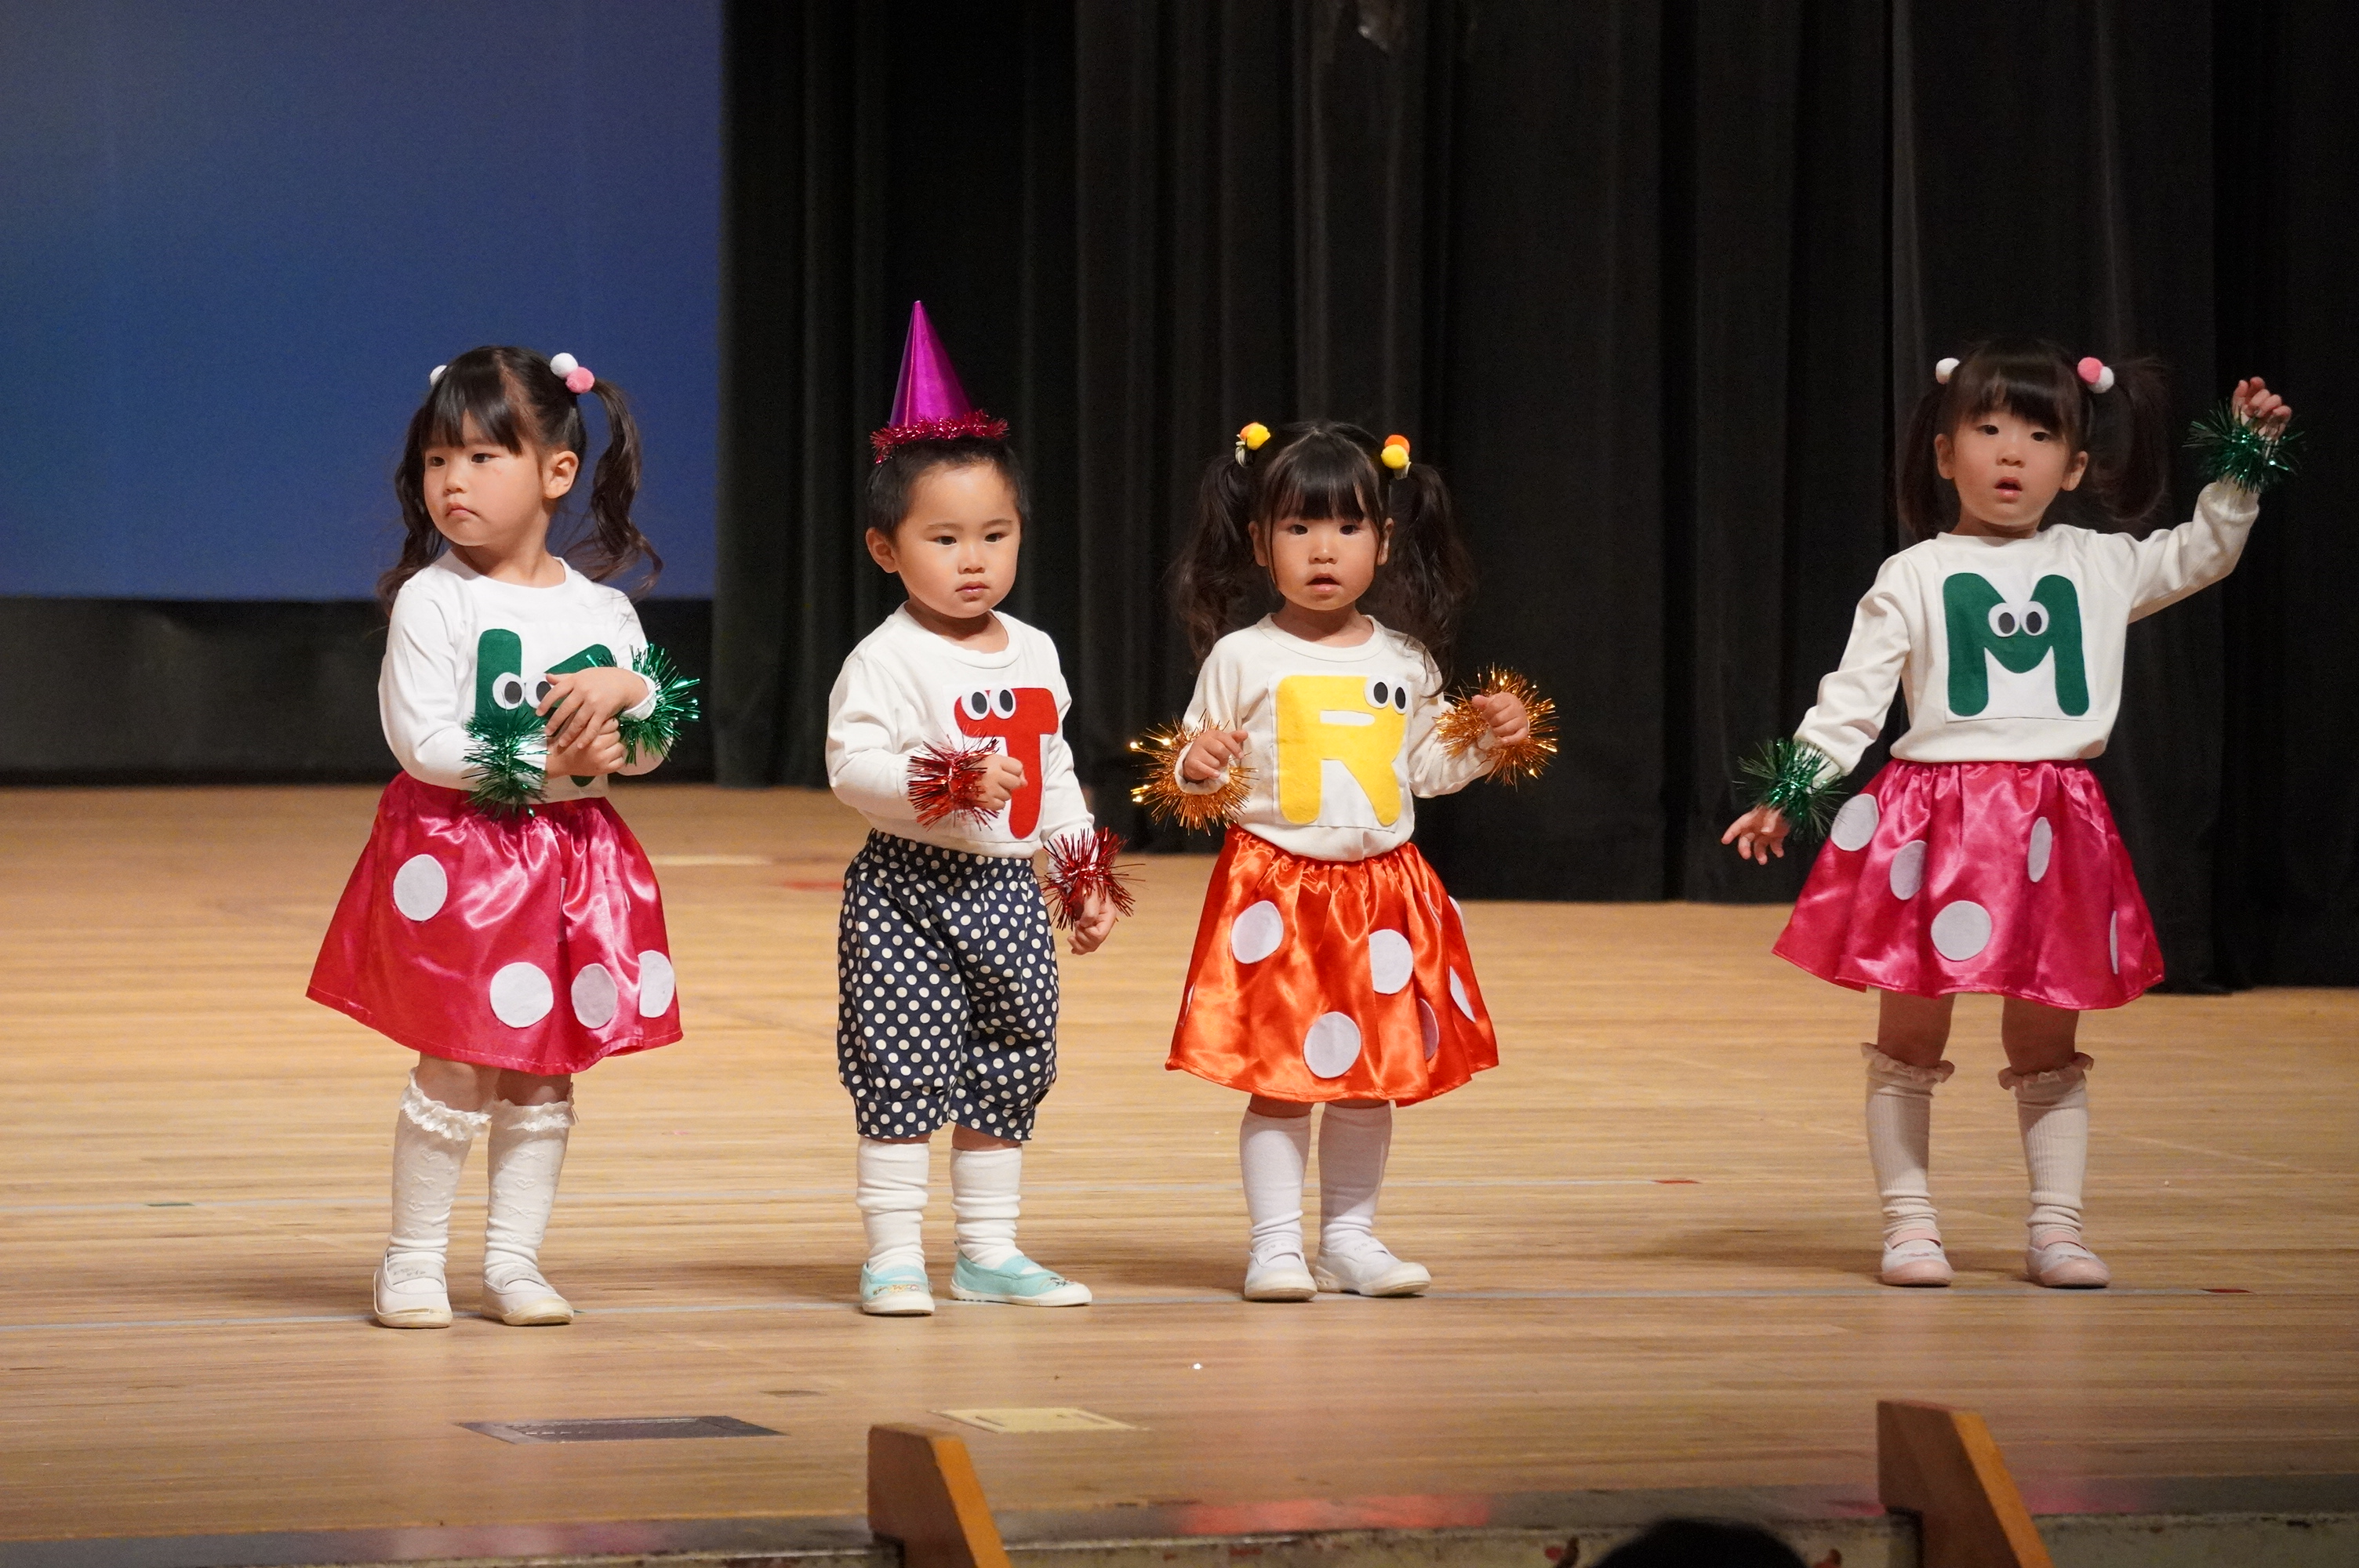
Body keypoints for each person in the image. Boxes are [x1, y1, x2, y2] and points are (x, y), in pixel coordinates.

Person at [1723, 340, 2295, 1290]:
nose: (2010, 452)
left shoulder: (2098, 563)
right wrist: (1789, 790)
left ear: (2072, 466)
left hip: (2050, 826)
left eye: (2038, 434)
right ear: (1944, 452)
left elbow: (2202, 551)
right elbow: (1851, 700)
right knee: (1910, 1035)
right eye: (1986, 429)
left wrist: (2242, 463)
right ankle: (1909, 1226)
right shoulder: (1911, 573)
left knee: (2044, 1042)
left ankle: (2055, 1228)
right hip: (1931, 824)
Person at [311, 346, 697, 1329]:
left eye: (483, 457)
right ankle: (411, 1260)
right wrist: (549, 760)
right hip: (465, 858)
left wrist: (630, 694)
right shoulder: (435, 598)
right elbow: (424, 742)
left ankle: (514, 1262)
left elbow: (648, 746)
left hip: (570, 863)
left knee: (542, 1064)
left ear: (557, 472)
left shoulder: (602, 610)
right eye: (438, 459)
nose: (454, 481)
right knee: (457, 1057)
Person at [1151, 419, 1550, 1301]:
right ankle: (1273, 1246)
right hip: (1276, 893)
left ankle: (1348, 1238)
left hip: (1380, 898)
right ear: (1260, 543)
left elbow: (1426, 769)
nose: (1323, 549)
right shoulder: (1242, 656)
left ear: (1386, 540)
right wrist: (1197, 764)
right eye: (1297, 527)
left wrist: (1491, 737)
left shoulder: (1404, 659)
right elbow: (1190, 771)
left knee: (1368, 1080)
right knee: (1281, 1082)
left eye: (1346, 526)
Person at [826, 303, 1127, 1317]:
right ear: (886, 549)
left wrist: (1078, 871)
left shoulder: (1033, 650)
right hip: (909, 891)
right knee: (902, 1060)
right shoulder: (887, 657)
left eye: (994, 536)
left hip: (1004, 892)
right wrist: (946, 780)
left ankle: (988, 1250)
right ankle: (892, 1255)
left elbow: (1054, 768)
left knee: (1013, 1056)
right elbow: (851, 766)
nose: (973, 560)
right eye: (944, 538)